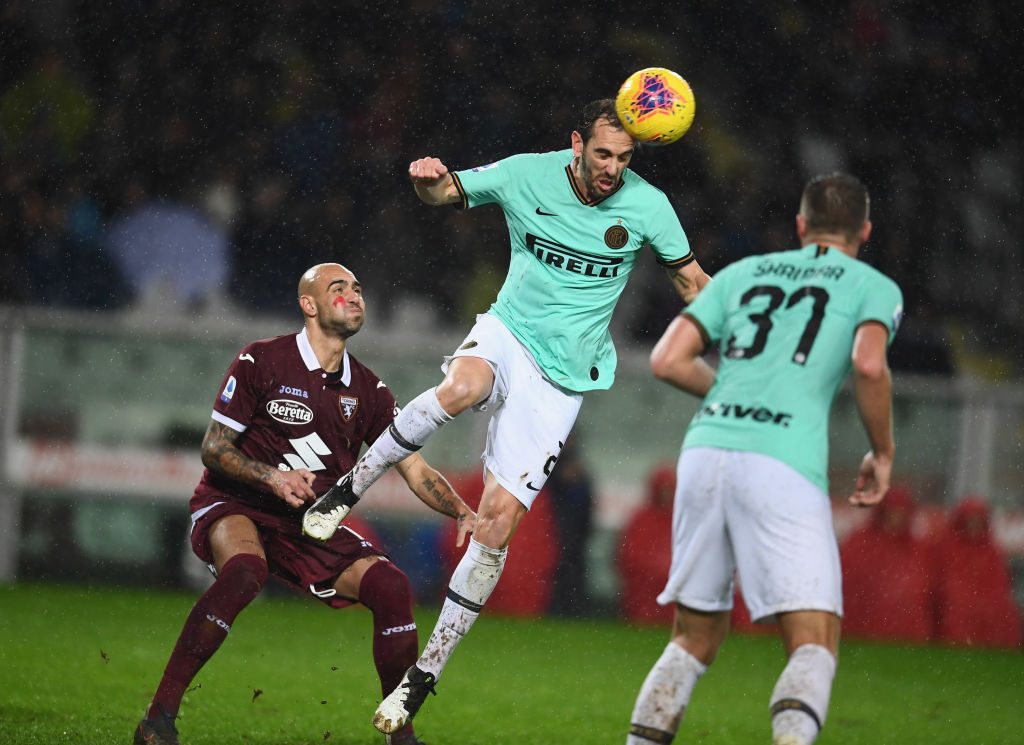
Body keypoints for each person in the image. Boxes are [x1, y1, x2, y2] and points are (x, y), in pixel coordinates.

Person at [301, 98, 711, 735]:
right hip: (509, 334)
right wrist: (428, 180)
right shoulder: (527, 173)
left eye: (624, 158)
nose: (611, 169)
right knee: (463, 386)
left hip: (563, 379)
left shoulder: (649, 207)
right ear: (576, 142)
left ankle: (420, 681)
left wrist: (741, 315)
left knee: (495, 529)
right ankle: (346, 489)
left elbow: (692, 285)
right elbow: (446, 194)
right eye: (602, 153)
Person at [133, 263, 477, 745]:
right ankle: (159, 718)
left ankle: (402, 737)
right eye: (338, 289)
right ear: (308, 305)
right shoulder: (262, 361)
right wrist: (271, 476)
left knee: (391, 587)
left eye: (357, 289)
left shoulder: (370, 391)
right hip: (237, 502)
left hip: (308, 521)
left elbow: (415, 469)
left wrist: (461, 509)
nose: (353, 296)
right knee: (245, 573)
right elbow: (213, 448)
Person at [626, 172, 903, 745]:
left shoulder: (743, 273)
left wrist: (730, 397)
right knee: (814, 642)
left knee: (692, 639)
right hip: (782, 461)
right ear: (865, 232)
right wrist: (882, 450)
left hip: (704, 451)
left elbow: (668, 360)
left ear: (801, 227)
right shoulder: (872, 286)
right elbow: (870, 365)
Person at [840, 484, 934, 642]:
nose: (896, 517)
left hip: (907, 632)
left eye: (901, 512)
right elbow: (851, 584)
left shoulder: (919, 549)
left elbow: (928, 591)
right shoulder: (861, 543)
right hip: (867, 629)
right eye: (892, 512)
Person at [933, 495, 1022, 648]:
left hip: (985, 619)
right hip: (958, 619)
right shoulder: (947, 548)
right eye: (970, 520)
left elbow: (999, 587)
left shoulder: (992, 551)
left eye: (977, 520)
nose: (973, 525)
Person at [617, 465, 676, 625]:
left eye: (669, 488)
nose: (666, 494)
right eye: (663, 488)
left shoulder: (681, 519)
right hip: (645, 592)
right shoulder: (642, 518)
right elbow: (629, 555)